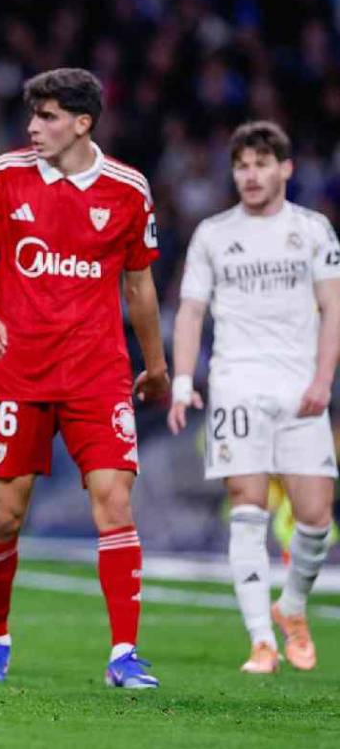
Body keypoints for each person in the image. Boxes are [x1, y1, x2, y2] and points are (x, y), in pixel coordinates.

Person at [0, 68, 168, 688]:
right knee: (4, 516)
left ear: (82, 123)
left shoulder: (128, 189)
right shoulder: (7, 174)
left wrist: (155, 367)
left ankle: (124, 654)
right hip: (16, 373)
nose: (33, 127)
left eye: (47, 117)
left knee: (114, 504)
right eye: (33, 116)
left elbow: (140, 285)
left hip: (97, 375)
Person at [167, 121, 340, 674]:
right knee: (248, 507)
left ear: (285, 169)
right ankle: (261, 640)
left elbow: (334, 307)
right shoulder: (213, 234)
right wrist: (182, 379)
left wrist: (323, 380)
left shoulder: (313, 231)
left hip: (300, 389)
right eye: (242, 165)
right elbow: (191, 310)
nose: (251, 175)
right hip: (236, 383)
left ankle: (290, 609)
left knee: (315, 516)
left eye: (262, 164)